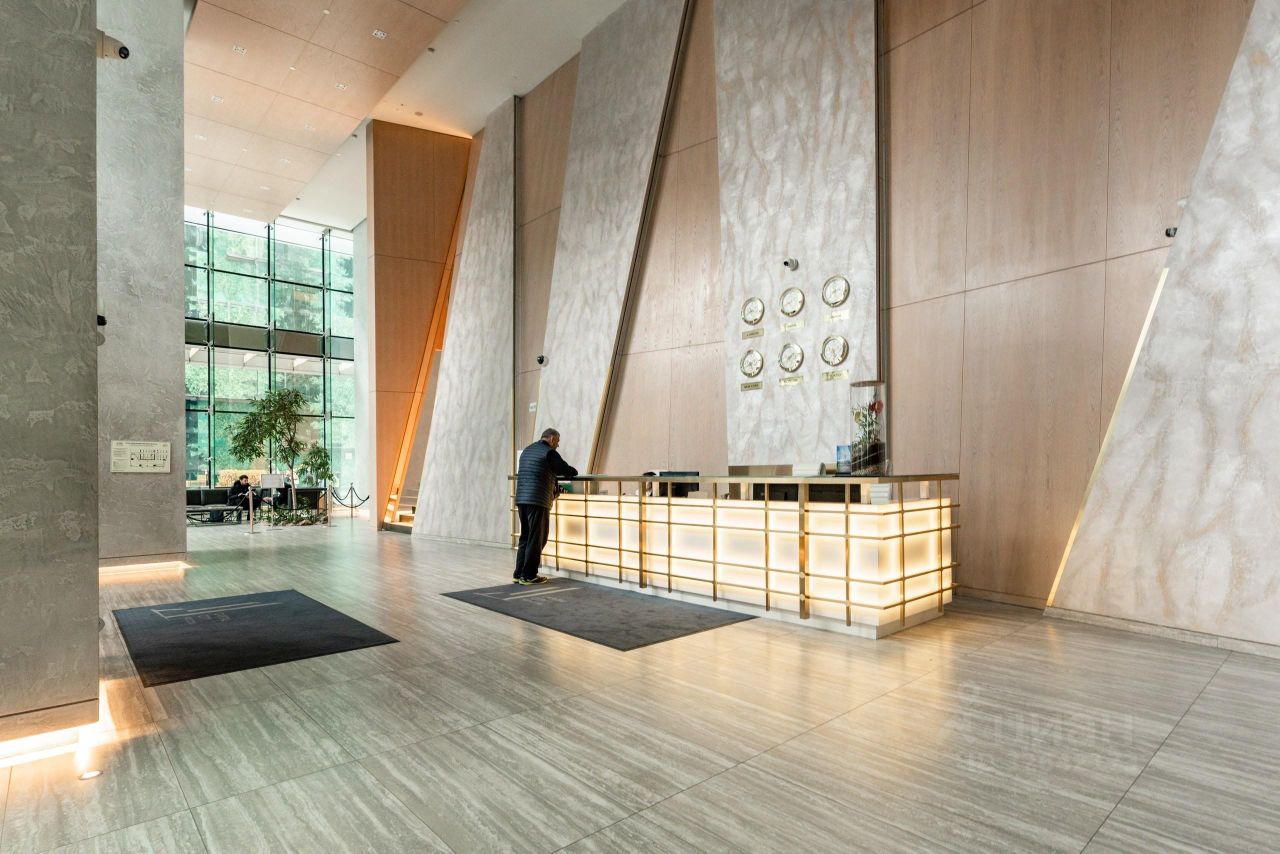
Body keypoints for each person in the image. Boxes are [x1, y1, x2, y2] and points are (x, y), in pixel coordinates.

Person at [513, 428, 578, 585]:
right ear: (551, 438)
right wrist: (573, 471)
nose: (558, 445)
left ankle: (518, 573)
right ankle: (529, 576)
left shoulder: (528, 450)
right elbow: (566, 470)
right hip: (537, 500)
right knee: (537, 538)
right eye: (558, 441)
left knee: (525, 536)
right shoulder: (549, 452)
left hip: (522, 498)